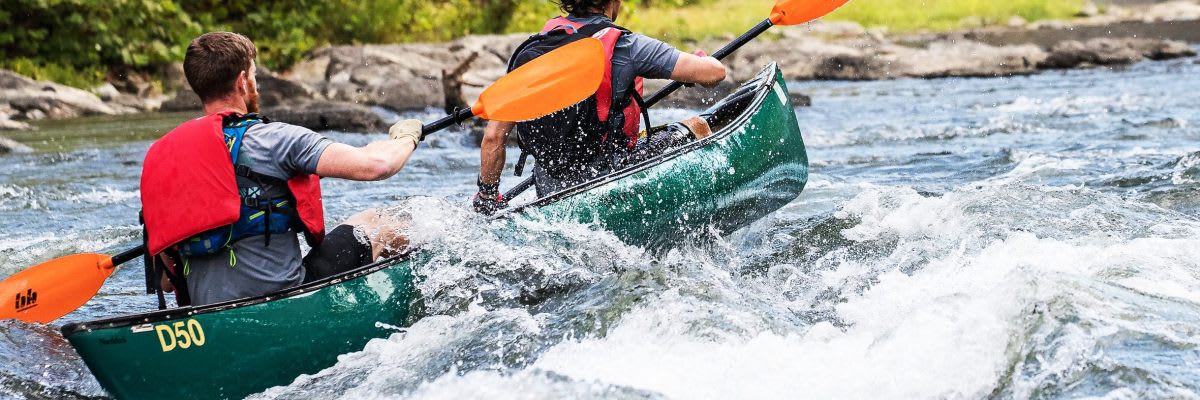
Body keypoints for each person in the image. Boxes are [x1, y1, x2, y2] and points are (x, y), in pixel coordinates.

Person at [140, 32, 423, 306]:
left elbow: (166, 281)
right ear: (242, 82)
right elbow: (378, 165)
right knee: (379, 221)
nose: (255, 84)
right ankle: (423, 295)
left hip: (206, 311)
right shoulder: (275, 139)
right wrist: (407, 137)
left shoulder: (163, 156)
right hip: (284, 302)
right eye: (254, 76)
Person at [473, 0, 727, 214]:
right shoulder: (626, 46)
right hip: (612, 186)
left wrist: (487, 197)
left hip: (550, 192)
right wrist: (698, 63)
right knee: (695, 126)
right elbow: (714, 73)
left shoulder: (536, 53)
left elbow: (493, 138)